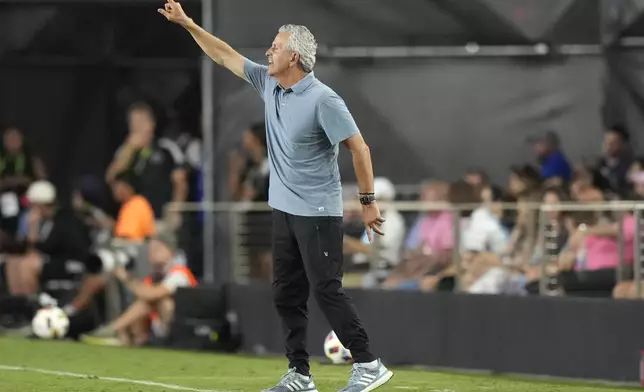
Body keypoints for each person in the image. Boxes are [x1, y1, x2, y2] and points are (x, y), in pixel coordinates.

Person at [159, 2, 392, 391]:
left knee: (326, 290)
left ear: (294, 57)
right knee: (286, 293)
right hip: (283, 210)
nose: (268, 52)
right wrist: (188, 24)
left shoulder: (324, 99)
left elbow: (360, 149)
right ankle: (299, 375)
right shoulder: (270, 82)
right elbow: (224, 55)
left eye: (275, 47)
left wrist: (368, 202)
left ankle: (368, 364)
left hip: (319, 212)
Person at [80, 229, 197, 346]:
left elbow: (151, 294)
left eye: (158, 248)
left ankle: (112, 330)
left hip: (184, 330)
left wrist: (126, 278)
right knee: (142, 301)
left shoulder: (180, 274)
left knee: (160, 301)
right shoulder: (153, 278)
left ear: (170, 251)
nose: (152, 252)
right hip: (156, 329)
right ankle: (127, 337)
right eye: (151, 248)